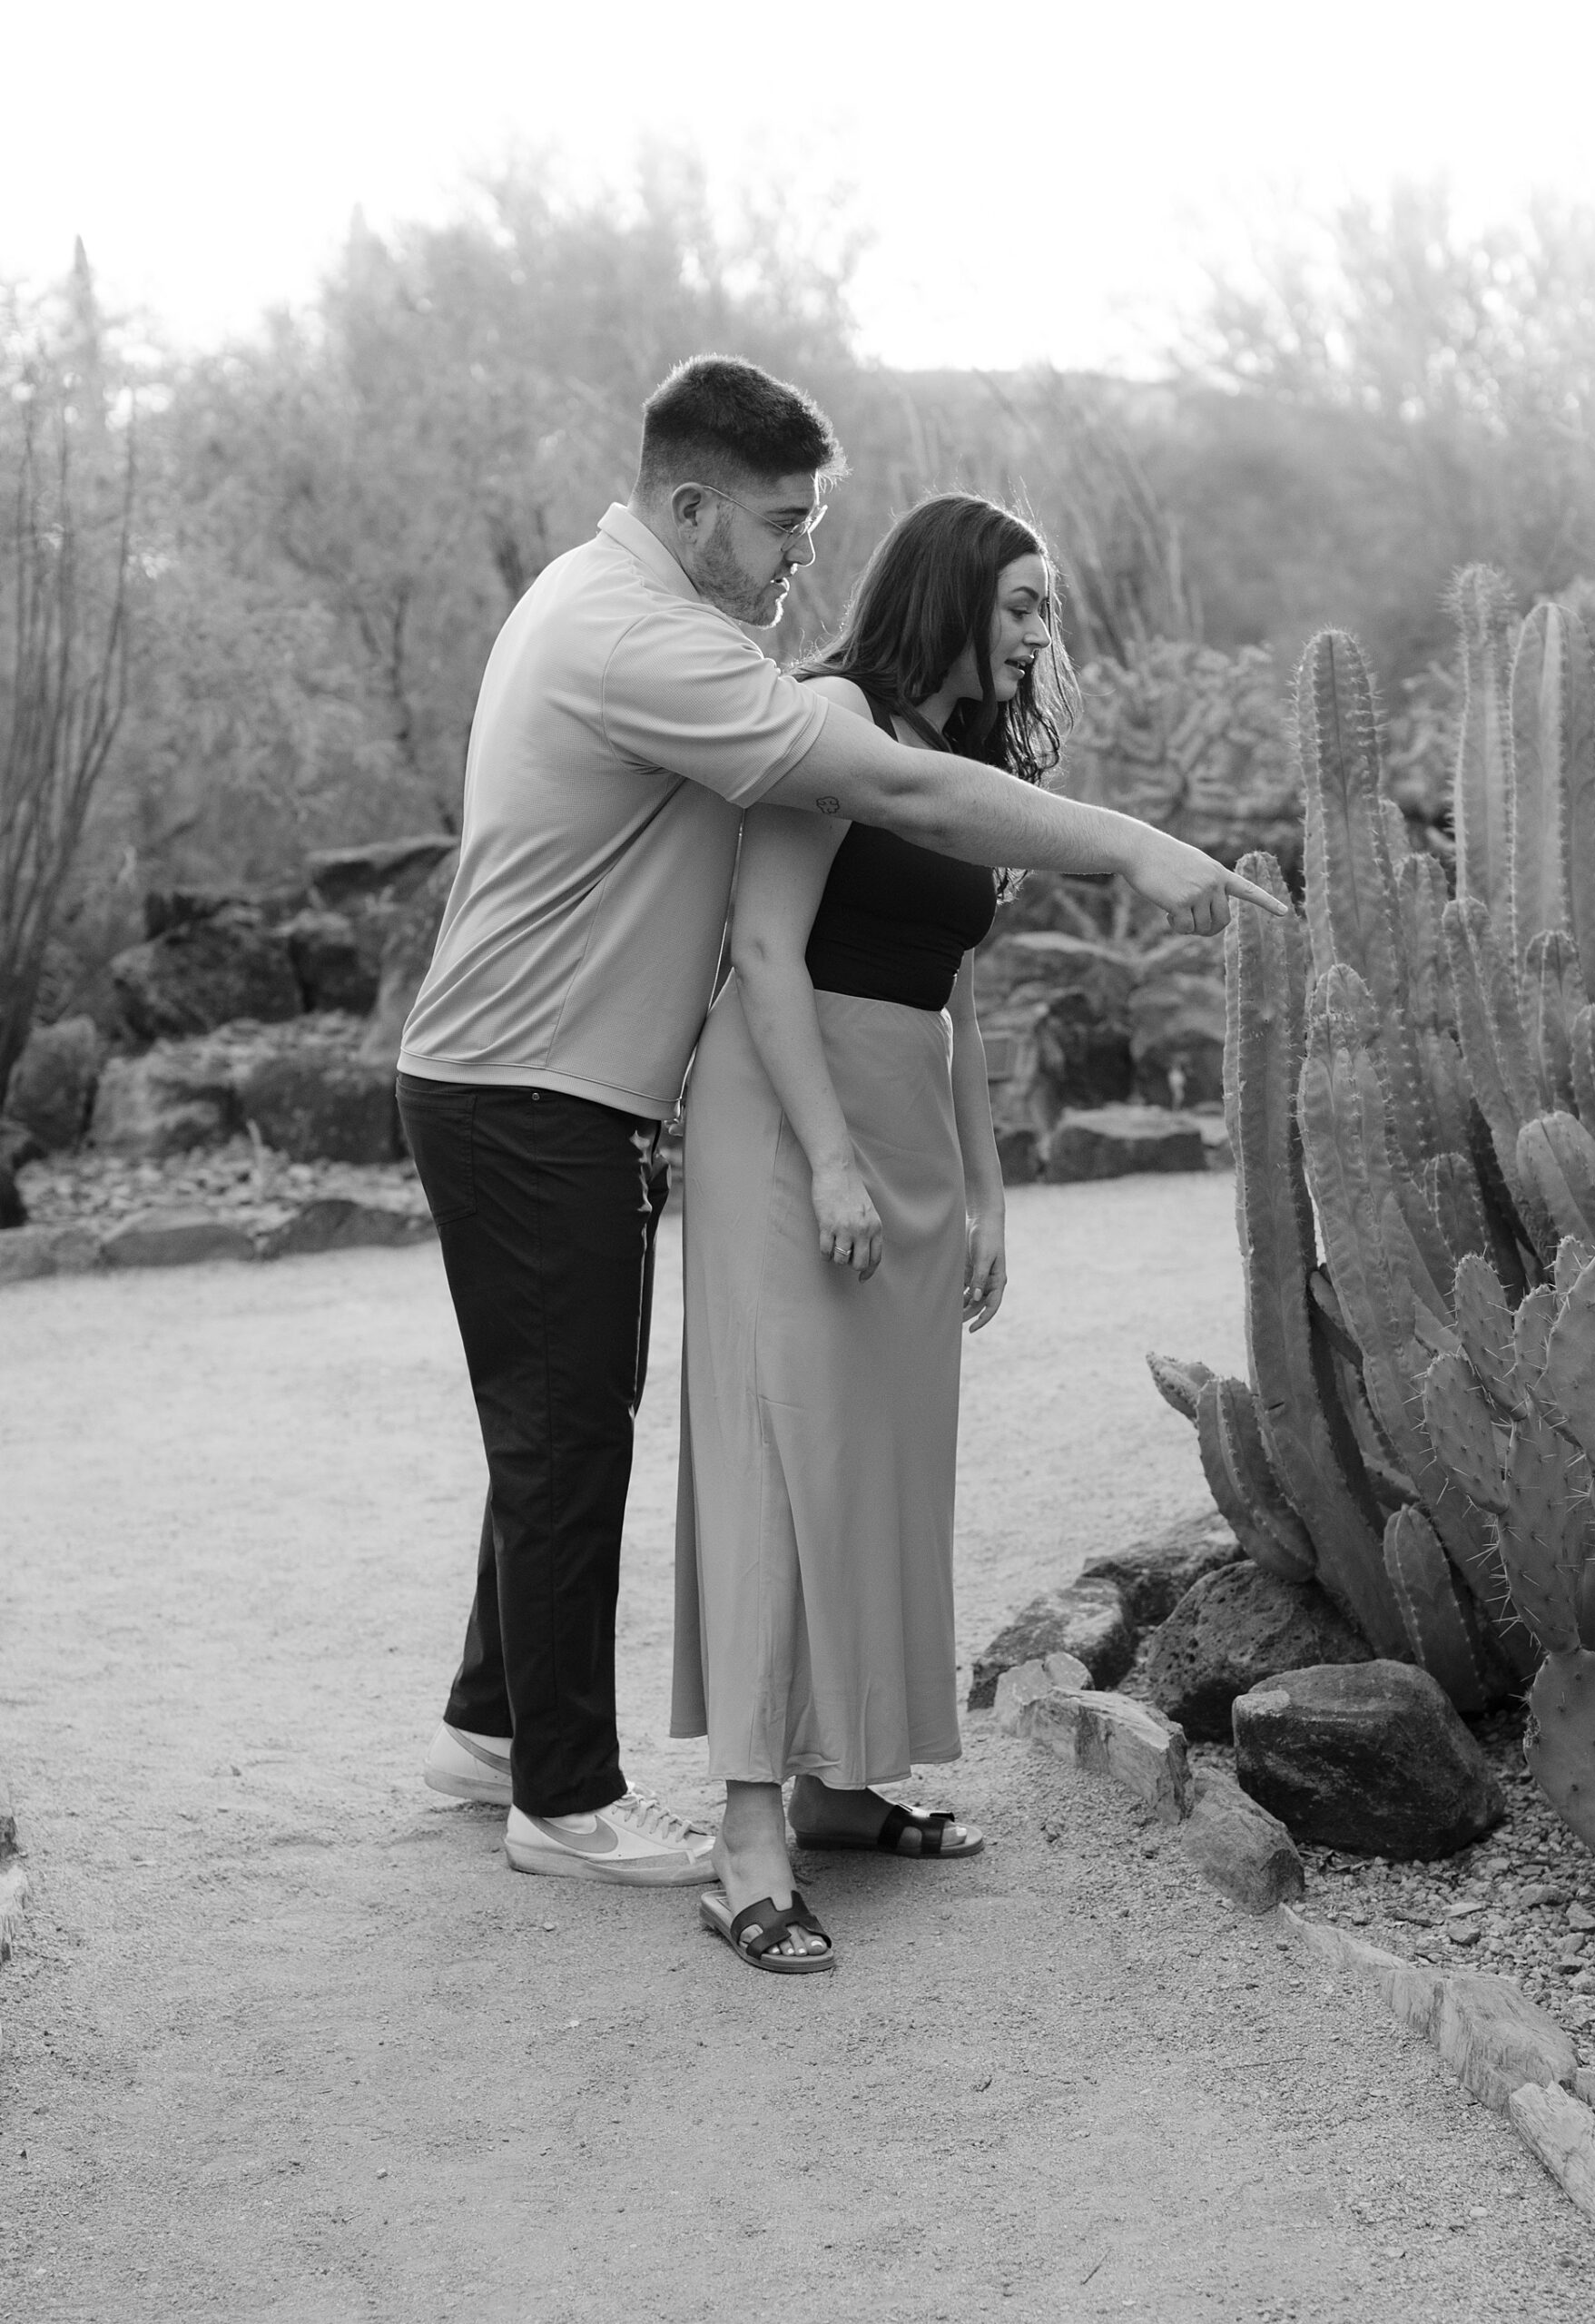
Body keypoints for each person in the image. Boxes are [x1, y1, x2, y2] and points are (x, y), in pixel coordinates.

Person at [399, 354, 1283, 1891]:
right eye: (783, 526)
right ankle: (565, 1798)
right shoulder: (637, 637)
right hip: (527, 1084)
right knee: (561, 1436)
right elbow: (899, 792)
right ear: (690, 507)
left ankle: (490, 1728)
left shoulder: (625, 608)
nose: (806, 555)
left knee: (563, 1416)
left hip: (549, 1083)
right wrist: (1134, 851)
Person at [674, 495, 1058, 1971]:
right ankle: (749, 1836)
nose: (1040, 635)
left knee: (882, 1451)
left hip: (902, 1105)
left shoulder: (961, 767)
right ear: (953, 598)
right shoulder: (825, 720)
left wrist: (986, 1183)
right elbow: (764, 948)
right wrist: (830, 1159)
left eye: (1046, 609)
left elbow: (953, 990)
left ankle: (841, 1785)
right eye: (1019, 605)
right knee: (785, 1453)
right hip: (787, 1109)